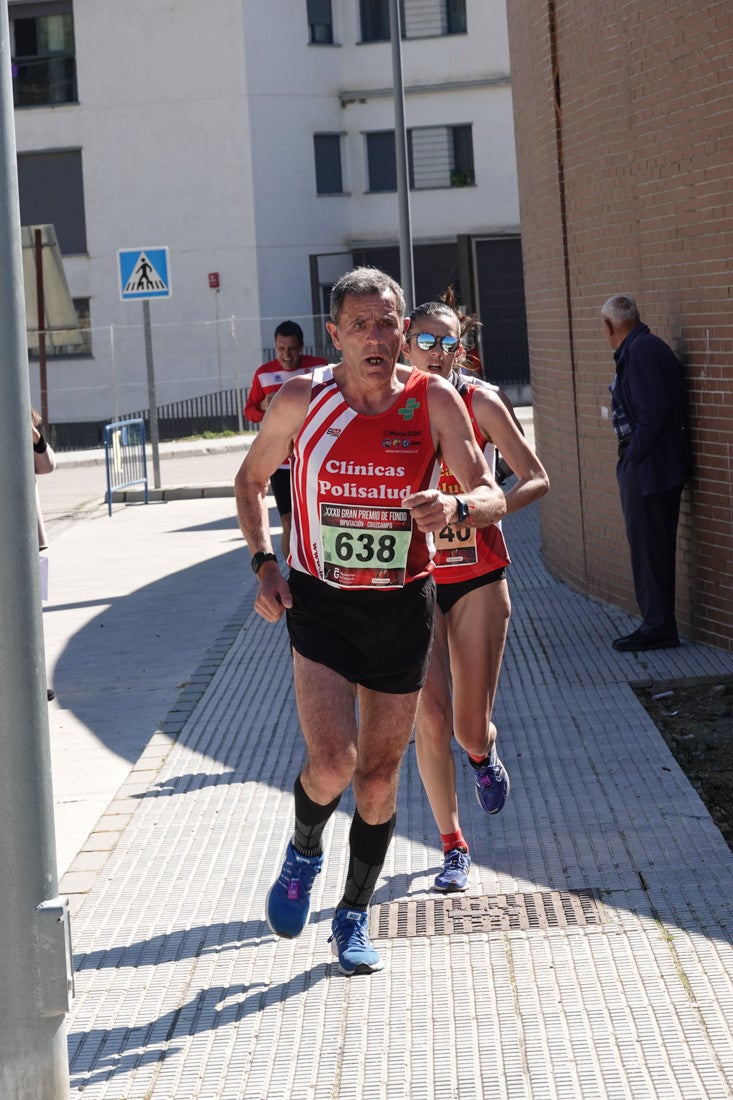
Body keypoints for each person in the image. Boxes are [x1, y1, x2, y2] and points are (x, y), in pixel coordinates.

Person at [234, 267, 507, 975]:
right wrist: (264, 562)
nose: (377, 337)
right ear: (335, 335)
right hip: (320, 602)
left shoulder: (434, 399)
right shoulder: (302, 398)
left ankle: (352, 917)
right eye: (360, 325)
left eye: (387, 322)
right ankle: (302, 855)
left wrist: (457, 509)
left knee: (379, 779)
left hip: (400, 605)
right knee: (333, 763)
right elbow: (249, 480)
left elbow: (487, 490)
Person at [403, 299, 549, 892]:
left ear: (461, 349)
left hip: (476, 576)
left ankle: (484, 755)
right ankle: (452, 845)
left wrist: (473, 510)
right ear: (407, 343)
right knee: (429, 719)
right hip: (412, 583)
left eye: (448, 343)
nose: (437, 354)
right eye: (425, 342)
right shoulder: (388, 403)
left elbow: (535, 477)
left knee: (466, 728)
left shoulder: (479, 400)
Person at [601, 294, 691, 652]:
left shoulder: (639, 352)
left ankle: (657, 627)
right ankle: (658, 623)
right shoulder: (645, 347)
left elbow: (653, 411)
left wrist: (633, 457)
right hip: (654, 467)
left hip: (651, 471)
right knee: (651, 548)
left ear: (610, 327)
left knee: (648, 550)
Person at [244, 321, 328, 556]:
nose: (286, 355)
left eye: (291, 349)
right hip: (281, 463)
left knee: (318, 521)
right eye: (281, 349)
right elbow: (249, 412)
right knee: (289, 522)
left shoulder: (319, 367)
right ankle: (293, 575)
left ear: (301, 346)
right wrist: (261, 406)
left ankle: (319, 571)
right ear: (275, 347)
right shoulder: (264, 373)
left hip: (313, 458)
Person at [32, 408, 57, 701]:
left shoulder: (29, 423)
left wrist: (36, 437)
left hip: (32, 540)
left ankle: (36, 680)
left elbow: (48, 466)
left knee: (35, 610)